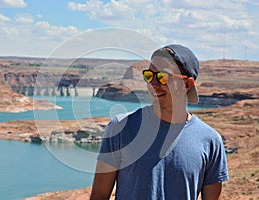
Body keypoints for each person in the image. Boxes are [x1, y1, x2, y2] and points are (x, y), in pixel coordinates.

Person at [90, 44, 229, 200]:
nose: (154, 85)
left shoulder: (210, 141)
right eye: (149, 76)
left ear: (187, 85)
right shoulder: (121, 128)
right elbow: (99, 196)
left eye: (164, 77)